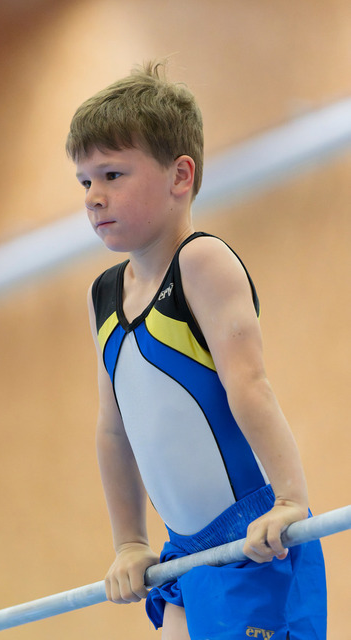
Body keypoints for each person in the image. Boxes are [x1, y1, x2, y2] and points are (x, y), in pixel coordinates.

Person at [65, 61, 327, 640]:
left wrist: (290, 501)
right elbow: (113, 429)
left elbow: (249, 386)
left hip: (254, 538)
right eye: (84, 182)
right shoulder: (103, 296)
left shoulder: (202, 262)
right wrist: (129, 541)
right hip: (183, 554)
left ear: (179, 176)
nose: (94, 197)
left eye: (112, 174)